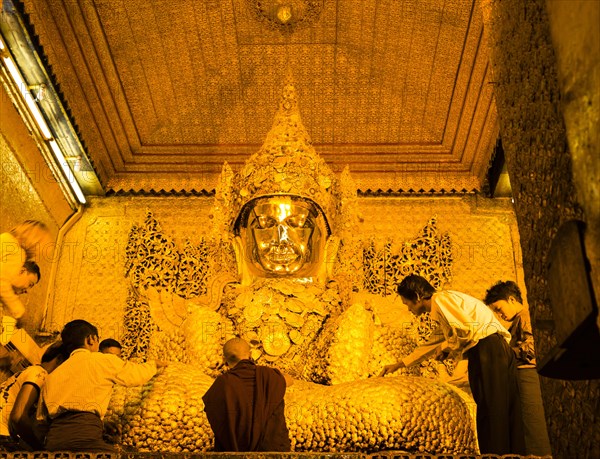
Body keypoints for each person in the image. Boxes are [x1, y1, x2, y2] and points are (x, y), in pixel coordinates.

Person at [380, 274, 526, 455]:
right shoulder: (443, 308)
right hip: (497, 350)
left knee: (491, 411)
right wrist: (400, 364)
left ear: (417, 297)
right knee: (505, 409)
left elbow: (465, 330)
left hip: (488, 350)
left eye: (407, 303)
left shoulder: (441, 300)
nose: (408, 309)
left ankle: (496, 455)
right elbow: (431, 344)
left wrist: (447, 348)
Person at [39, 319, 166, 452]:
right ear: (91, 339)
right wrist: (153, 365)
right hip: (85, 440)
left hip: (53, 445)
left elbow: (40, 422)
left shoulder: (52, 375)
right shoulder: (101, 360)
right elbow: (135, 375)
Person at [484, 281, 552, 456]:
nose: (499, 314)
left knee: (533, 425)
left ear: (512, 299)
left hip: (527, 374)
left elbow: (531, 348)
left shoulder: (524, 317)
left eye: (499, 308)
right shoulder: (518, 320)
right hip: (523, 375)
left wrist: (503, 352)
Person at [202, 337, 292, 452]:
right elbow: (289, 380)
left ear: (224, 359)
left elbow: (215, 415)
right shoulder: (268, 375)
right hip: (270, 451)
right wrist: (278, 373)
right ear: (250, 355)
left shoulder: (221, 384)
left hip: (234, 452)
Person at [0, 341, 64, 451]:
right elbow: (18, 417)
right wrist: (39, 448)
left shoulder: (29, 370)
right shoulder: (40, 374)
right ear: (60, 359)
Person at [1, 220, 51, 325]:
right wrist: (19, 312)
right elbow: (1, 281)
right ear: (35, 241)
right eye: (40, 247)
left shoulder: (6, 238)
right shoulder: (18, 253)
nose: (36, 253)